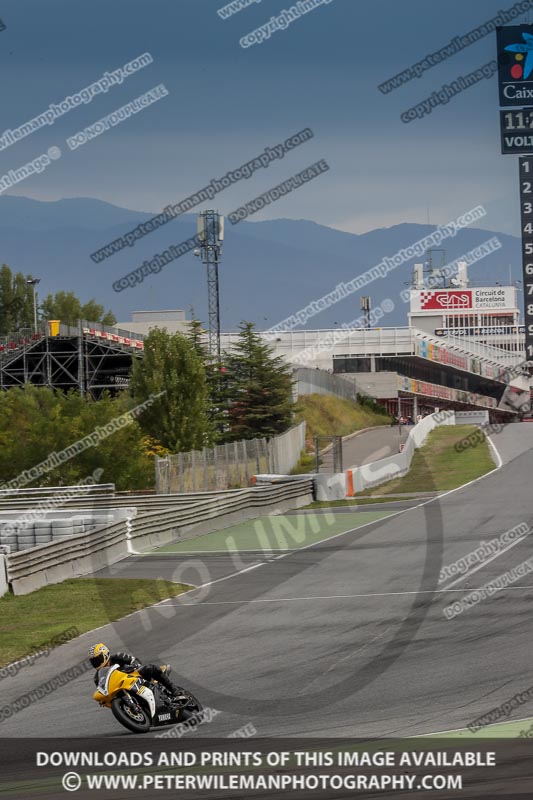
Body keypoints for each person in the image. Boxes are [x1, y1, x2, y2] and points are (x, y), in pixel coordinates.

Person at [89, 642, 181, 698]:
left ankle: (175, 691)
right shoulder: (97, 678)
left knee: (151, 668)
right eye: (94, 661)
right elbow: (103, 690)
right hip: (121, 688)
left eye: (98, 659)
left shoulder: (118, 657)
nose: (96, 663)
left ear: (105, 655)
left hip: (134, 675)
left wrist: (134, 666)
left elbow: (135, 660)